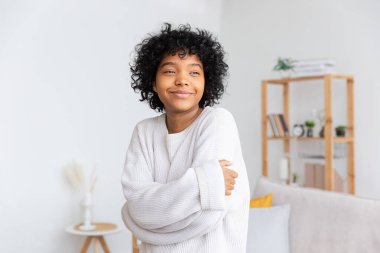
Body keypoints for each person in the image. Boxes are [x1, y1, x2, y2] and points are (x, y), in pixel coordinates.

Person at [121, 23, 250, 253]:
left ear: (206, 81)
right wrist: (205, 183)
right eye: (170, 71)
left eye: (194, 72)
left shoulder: (218, 121)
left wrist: (149, 219)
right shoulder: (144, 132)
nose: (182, 80)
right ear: (153, 80)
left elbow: (207, 217)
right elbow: (138, 208)